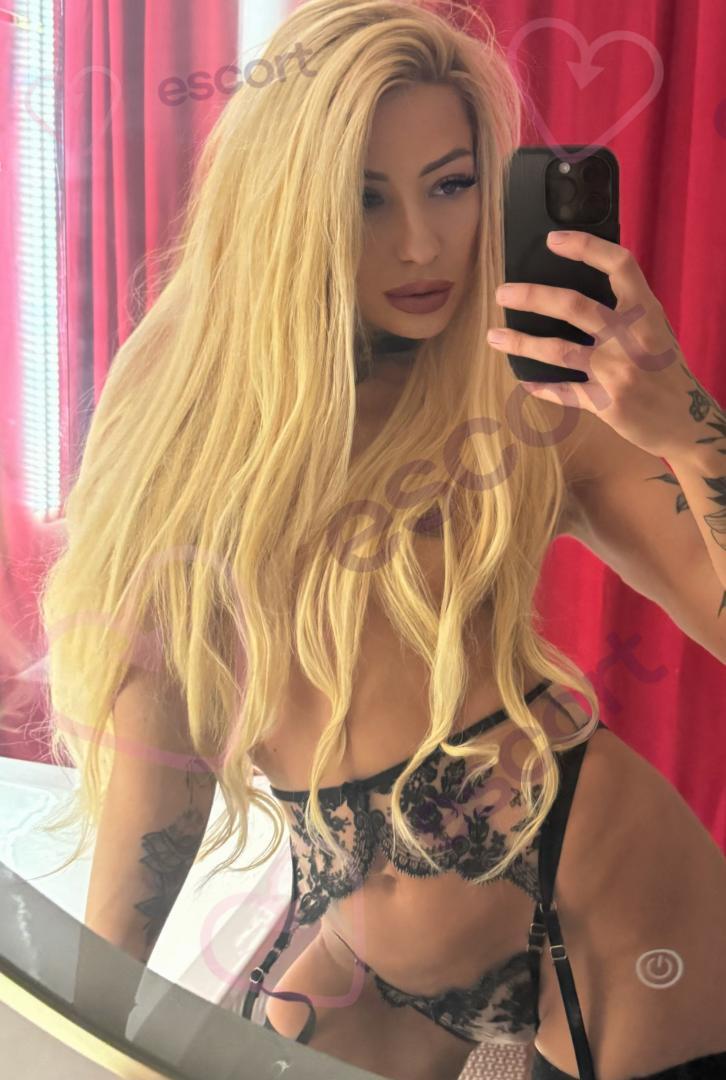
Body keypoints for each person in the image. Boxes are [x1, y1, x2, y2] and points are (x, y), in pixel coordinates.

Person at [38, 3, 726, 1079]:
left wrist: (684, 422)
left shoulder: (533, 387)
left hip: (612, 906)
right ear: (285, 202)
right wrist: (88, 1021)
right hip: (365, 939)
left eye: (451, 186)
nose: (419, 244)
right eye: (366, 198)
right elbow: (161, 733)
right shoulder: (178, 394)